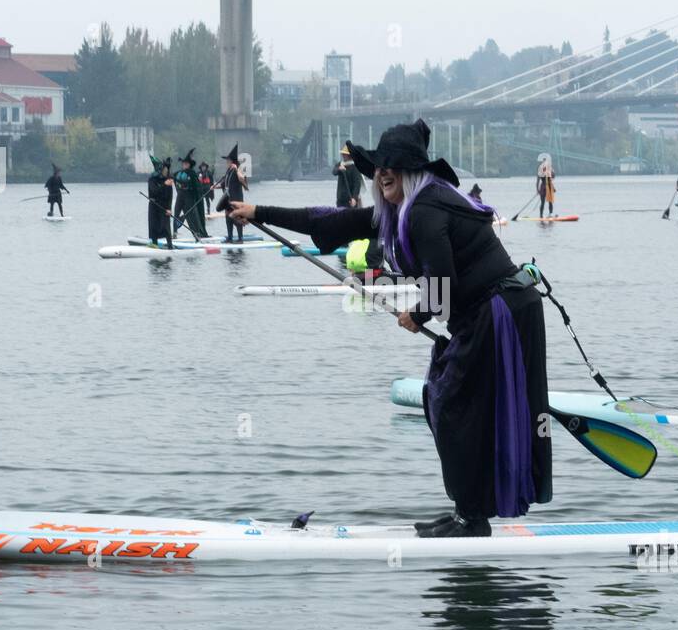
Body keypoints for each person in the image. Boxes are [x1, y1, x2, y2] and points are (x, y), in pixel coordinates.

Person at [226, 119, 550, 538]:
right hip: (483, 313)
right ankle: (469, 511)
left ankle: (472, 518)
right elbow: (331, 221)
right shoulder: (400, 211)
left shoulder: (426, 210)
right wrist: (258, 212)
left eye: (393, 166)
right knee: (446, 399)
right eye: (378, 166)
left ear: (413, 172)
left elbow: (443, 282)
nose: (382, 173)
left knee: (451, 403)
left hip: (501, 312)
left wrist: (417, 315)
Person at [215, 144, 248, 244]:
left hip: (236, 199)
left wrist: (236, 168)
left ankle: (240, 238)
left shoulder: (239, 170)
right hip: (228, 199)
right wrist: (214, 187)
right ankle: (229, 237)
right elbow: (224, 184)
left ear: (232, 161)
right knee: (228, 217)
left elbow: (243, 180)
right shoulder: (228, 171)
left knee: (237, 217)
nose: (226, 162)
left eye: (228, 160)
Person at [174, 148, 206, 239]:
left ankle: (198, 233)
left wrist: (197, 198)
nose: (184, 165)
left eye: (186, 164)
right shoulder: (177, 173)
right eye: (183, 163)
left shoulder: (192, 174)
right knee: (176, 213)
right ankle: (174, 233)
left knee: (192, 216)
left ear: (189, 165)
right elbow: (176, 184)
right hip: (180, 196)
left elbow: (197, 187)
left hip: (189, 198)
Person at [146, 155, 174, 249]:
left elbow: (170, 195)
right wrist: (164, 185)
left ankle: (170, 245)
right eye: (164, 169)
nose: (166, 171)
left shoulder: (168, 180)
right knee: (154, 226)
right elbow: (154, 192)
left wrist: (169, 209)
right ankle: (154, 244)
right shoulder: (152, 179)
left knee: (166, 227)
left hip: (164, 206)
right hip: (154, 205)